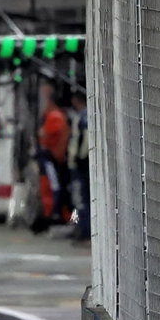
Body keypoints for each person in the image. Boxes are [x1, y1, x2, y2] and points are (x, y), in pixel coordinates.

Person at [34, 81, 72, 230]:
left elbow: (45, 134)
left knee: (53, 186)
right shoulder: (52, 116)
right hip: (50, 157)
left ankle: (55, 214)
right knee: (49, 185)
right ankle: (54, 213)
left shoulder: (55, 116)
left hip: (51, 157)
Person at [68, 90, 91, 241]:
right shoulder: (88, 115)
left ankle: (83, 228)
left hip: (80, 164)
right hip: (84, 163)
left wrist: (78, 158)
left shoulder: (82, 117)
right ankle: (83, 227)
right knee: (85, 197)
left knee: (79, 198)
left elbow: (83, 139)